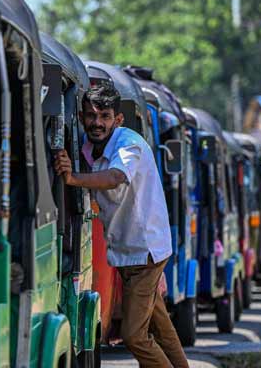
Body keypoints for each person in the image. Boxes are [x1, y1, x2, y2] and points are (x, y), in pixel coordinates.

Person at [54, 80, 188, 368]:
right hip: (128, 252)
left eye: (104, 117)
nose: (97, 123)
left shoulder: (130, 145)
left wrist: (73, 177)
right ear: (81, 117)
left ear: (118, 119)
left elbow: (115, 177)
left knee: (134, 336)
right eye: (91, 116)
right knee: (161, 329)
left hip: (145, 251)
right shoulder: (89, 148)